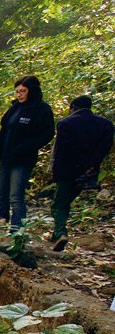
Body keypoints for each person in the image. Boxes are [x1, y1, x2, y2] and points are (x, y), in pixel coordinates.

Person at [49, 95, 114, 251]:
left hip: (68, 169)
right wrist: (91, 165)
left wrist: (54, 171)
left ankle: (60, 232)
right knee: (65, 201)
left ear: (73, 108)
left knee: (59, 203)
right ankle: (56, 233)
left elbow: (63, 148)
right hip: (89, 172)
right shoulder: (105, 124)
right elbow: (105, 147)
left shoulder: (65, 123)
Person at [0, 75, 55, 234]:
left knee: (16, 196)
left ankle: (16, 231)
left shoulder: (41, 109)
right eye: (17, 91)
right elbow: (5, 128)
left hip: (23, 159)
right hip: (6, 157)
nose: (19, 95)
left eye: (23, 91)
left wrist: (27, 147)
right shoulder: (14, 108)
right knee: (1, 193)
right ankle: (0, 224)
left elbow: (47, 133)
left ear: (31, 91)